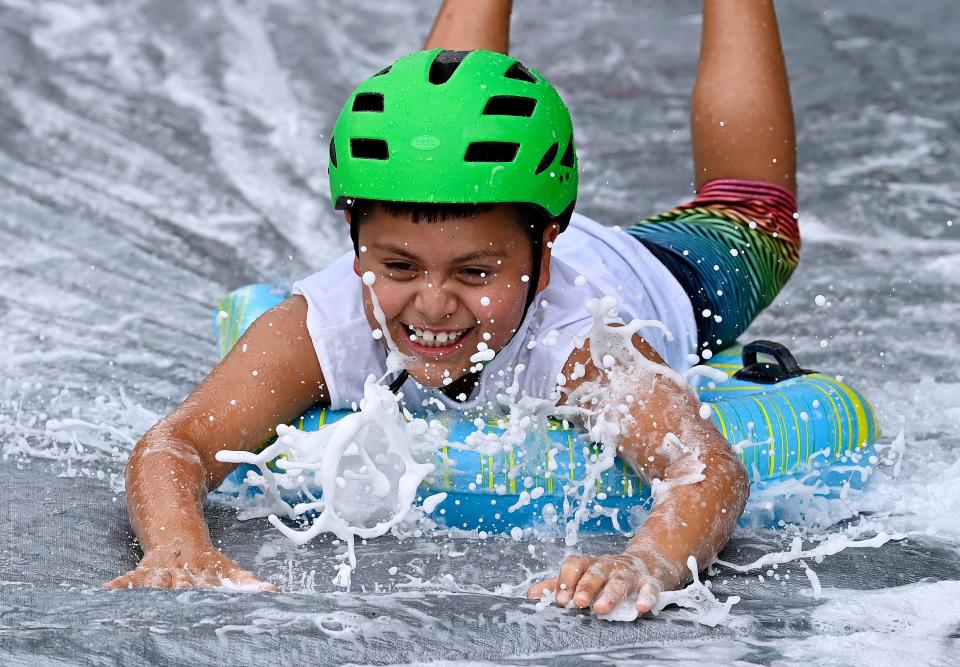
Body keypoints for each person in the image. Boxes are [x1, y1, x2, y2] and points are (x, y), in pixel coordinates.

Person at [108, 0, 799, 619]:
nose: (433, 306)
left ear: (545, 254)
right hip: (509, 217)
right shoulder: (325, 323)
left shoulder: (581, 345)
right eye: (398, 265)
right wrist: (177, 547)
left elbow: (705, 470)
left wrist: (645, 560)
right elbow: (176, 443)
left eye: (474, 273)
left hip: (670, 268)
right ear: (356, 244)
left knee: (757, 219)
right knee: (449, 95)